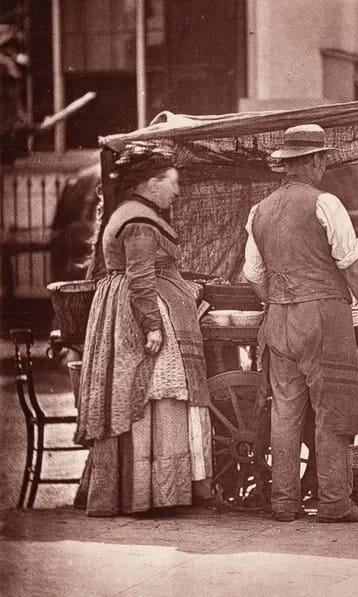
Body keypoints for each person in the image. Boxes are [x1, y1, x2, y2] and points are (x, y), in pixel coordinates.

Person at [243, 123, 358, 523]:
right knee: (332, 410)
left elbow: (253, 275)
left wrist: (279, 299)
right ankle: (335, 502)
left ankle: (284, 502)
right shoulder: (326, 203)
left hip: (277, 320)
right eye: (322, 159)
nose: (324, 165)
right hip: (322, 319)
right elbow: (352, 267)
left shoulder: (259, 211)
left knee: (285, 412)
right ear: (311, 161)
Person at [75, 143, 213, 516]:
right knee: (153, 394)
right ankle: (151, 496)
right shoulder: (139, 220)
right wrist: (152, 326)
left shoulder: (131, 213)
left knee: (142, 396)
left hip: (128, 309)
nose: (177, 191)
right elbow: (140, 278)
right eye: (172, 182)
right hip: (138, 316)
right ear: (152, 184)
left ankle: (145, 493)